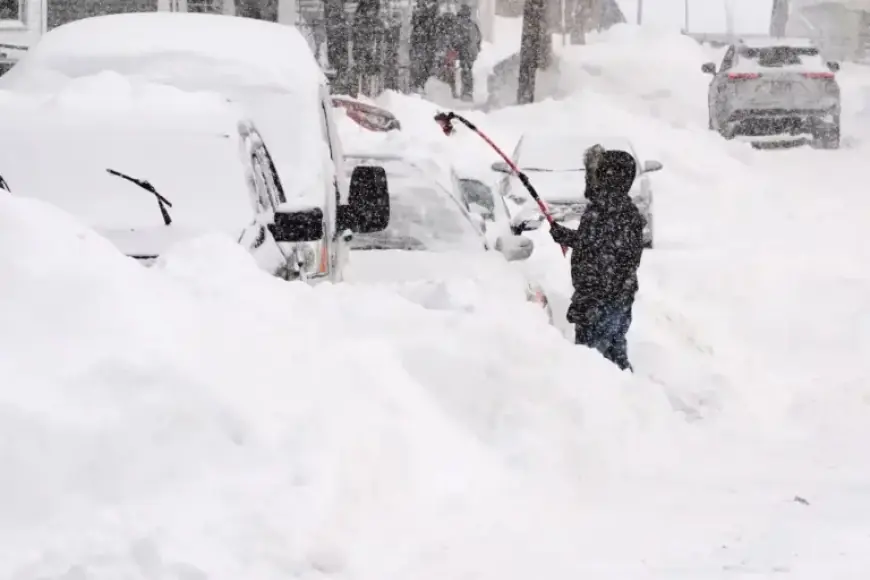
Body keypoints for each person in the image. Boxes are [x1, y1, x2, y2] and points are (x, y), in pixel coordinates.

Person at [549, 146, 645, 372]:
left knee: (595, 363)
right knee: (612, 354)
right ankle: (630, 396)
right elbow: (595, 245)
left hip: (601, 301)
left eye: (594, 174)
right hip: (612, 298)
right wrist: (568, 237)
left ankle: (621, 399)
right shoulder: (622, 211)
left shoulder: (607, 212)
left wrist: (592, 297)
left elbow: (601, 251)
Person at [409, 0, 439, 92]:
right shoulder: (423, 12)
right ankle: (419, 85)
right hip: (423, 43)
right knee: (421, 65)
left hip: (425, 43)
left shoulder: (428, 12)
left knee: (424, 65)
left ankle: (420, 85)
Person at [455, 4, 482, 101]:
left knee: (466, 71)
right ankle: (467, 92)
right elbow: (479, 38)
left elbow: (460, 39)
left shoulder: (462, 25)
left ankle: (467, 93)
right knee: (468, 70)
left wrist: (458, 48)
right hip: (472, 52)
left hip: (466, 51)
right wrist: (477, 48)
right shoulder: (473, 24)